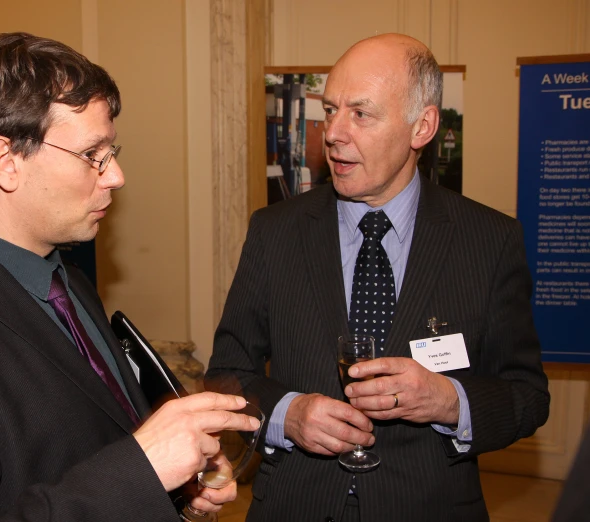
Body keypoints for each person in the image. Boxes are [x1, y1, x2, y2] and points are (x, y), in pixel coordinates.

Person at [0, 32, 259, 522]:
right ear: (5, 163)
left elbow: (91, 446)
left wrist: (170, 493)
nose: (116, 176)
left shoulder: (67, 282)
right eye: (93, 154)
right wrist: (142, 470)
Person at [206, 33, 550, 521]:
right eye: (331, 110)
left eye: (361, 114)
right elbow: (225, 374)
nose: (334, 133)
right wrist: (287, 414)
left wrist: (449, 400)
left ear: (422, 127)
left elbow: (528, 397)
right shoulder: (275, 232)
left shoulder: (489, 240)